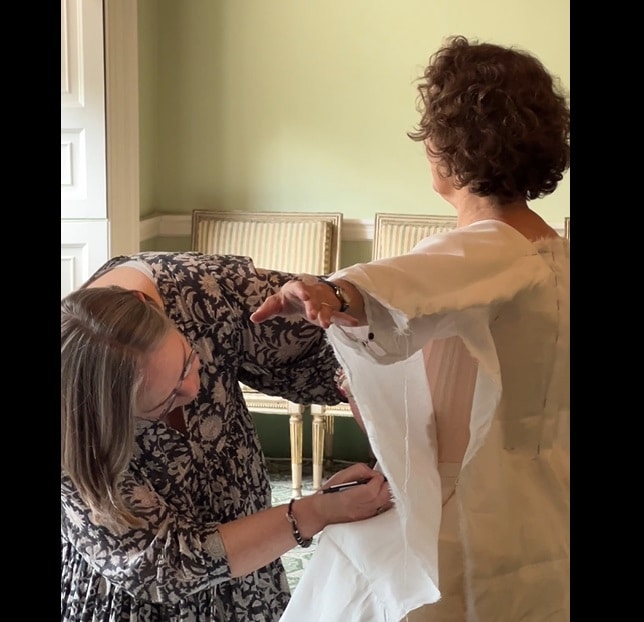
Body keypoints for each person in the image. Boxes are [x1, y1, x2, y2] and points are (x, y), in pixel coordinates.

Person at [251, 35, 570, 621]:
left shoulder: (492, 246)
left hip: (465, 511)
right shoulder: (556, 253)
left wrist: (333, 293)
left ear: (451, 145)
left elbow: (409, 283)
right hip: (544, 505)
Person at [60, 251, 393, 622]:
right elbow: (161, 563)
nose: (192, 387)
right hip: (140, 602)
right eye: (161, 403)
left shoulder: (201, 288)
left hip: (252, 560)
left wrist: (333, 302)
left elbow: (342, 351)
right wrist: (315, 511)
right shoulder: (69, 421)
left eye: (186, 361)